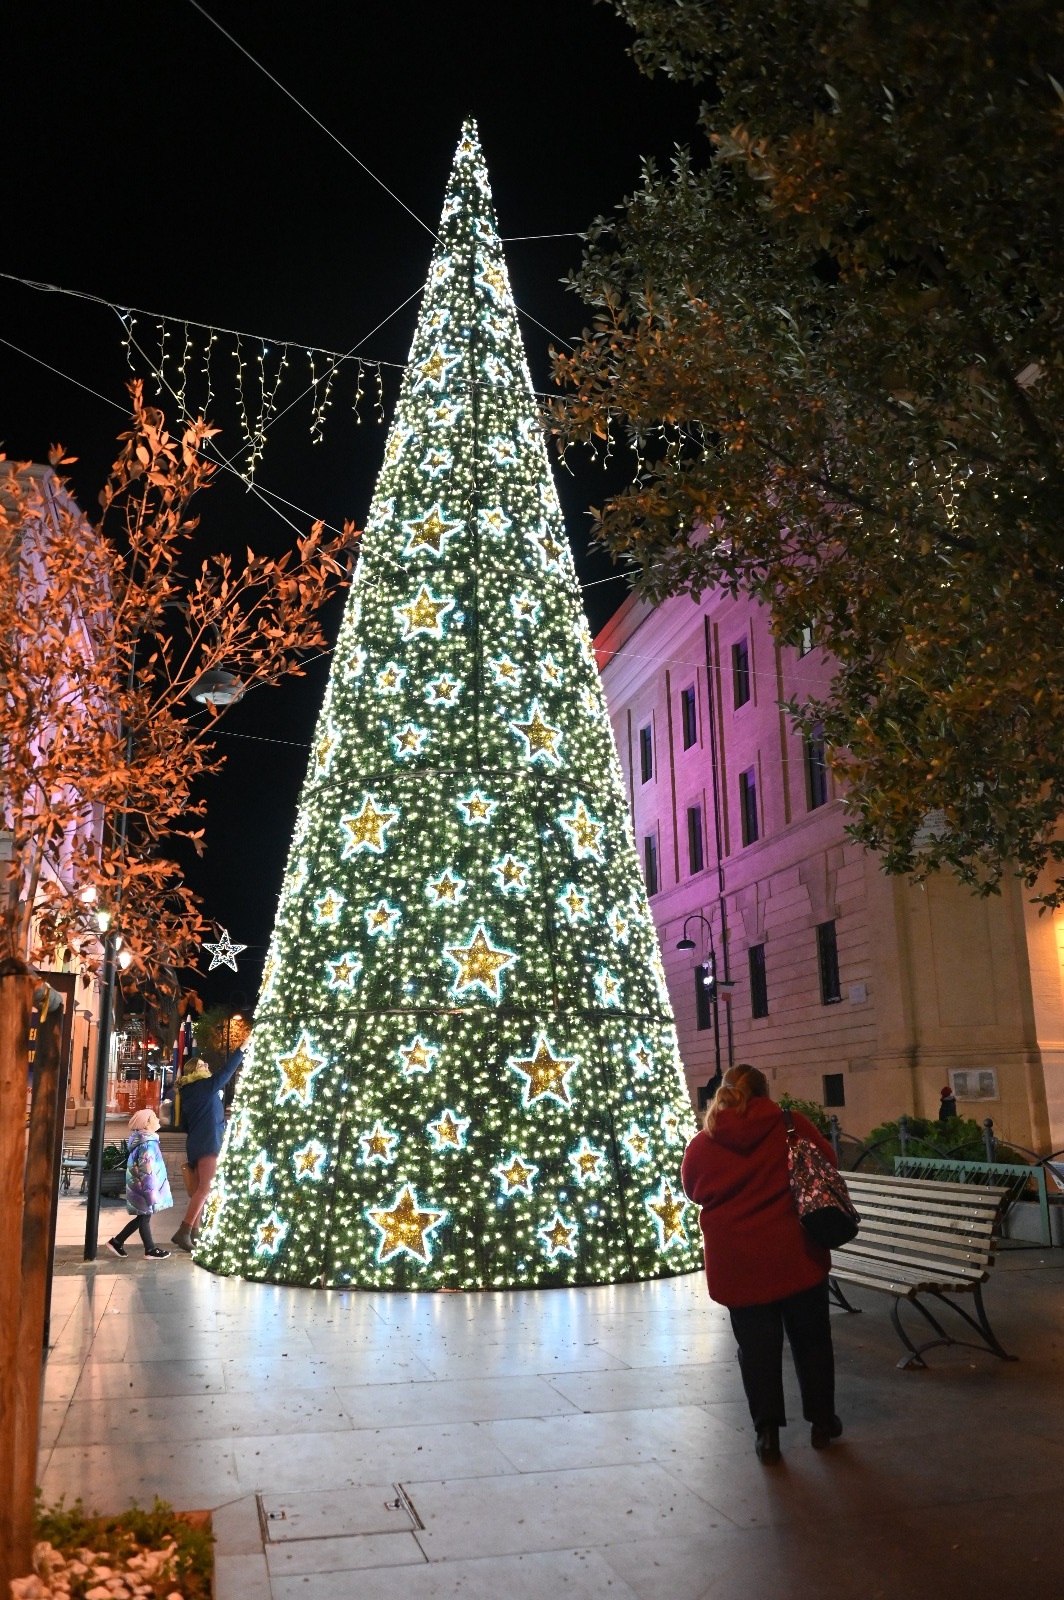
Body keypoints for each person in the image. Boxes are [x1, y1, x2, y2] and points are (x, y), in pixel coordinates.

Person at [681, 1063, 842, 1465]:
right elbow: (828, 1163)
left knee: (756, 1349)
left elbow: (693, 1190)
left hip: (739, 1264)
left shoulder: (704, 1142)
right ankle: (822, 1422)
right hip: (797, 1256)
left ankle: (767, 1433)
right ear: (766, 1092)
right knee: (812, 1341)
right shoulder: (792, 1125)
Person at [171, 1049, 244, 1251]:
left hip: (197, 1143)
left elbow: (184, 1124)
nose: (207, 1067)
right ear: (194, 1071)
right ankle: (184, 1231)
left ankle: (194, 1232)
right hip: (209, 1143)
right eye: (203, 1065)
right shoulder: (204, 1085)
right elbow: (226, 1072)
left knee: (199, 1190)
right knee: (205, 1188)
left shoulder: (189, 1091)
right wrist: (241, 1050)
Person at [106, 1109, 173, 1259]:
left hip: (140, 1186)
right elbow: (146, 1171)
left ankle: (117, 1242)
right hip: (144, 1188)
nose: (158, 1119)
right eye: (154, 1117)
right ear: (146, 1123)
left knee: (143, 1217)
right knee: (144, 1217)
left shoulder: (145, 1141)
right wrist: (151, 1194)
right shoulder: (147, 1144)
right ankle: (150, 1249)